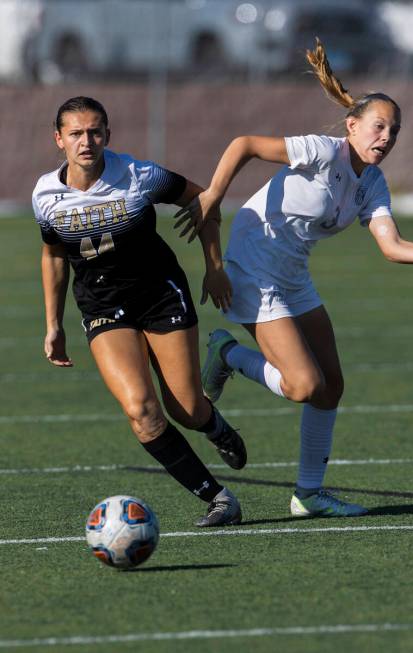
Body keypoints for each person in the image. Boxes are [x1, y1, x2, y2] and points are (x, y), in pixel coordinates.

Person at [173, 39, 413, 519]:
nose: (386, 137)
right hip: (252, 268)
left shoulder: (373, 183)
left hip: (293, 274)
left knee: (331, 387)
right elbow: (245, 145)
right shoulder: (322, 151)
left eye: (394, 131)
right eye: (378, 126)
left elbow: (392, 246)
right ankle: (229, 354)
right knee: (303, 385)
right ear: (352, 127)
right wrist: (213, 197)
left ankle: (308, 494)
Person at [32, 96, 247, 528]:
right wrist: (53, 323)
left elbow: (203, 199)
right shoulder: (45, 194)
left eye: (95, 132)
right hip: (103, 305)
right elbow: (53, 254)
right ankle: (220, 499)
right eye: (75, 133)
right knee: (141, 411)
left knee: (186, 410)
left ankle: (213, 425)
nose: (86, 141)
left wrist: (214, 268)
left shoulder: (138, 175)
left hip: (160, 295)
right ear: (59, 139)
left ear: (108, 135)